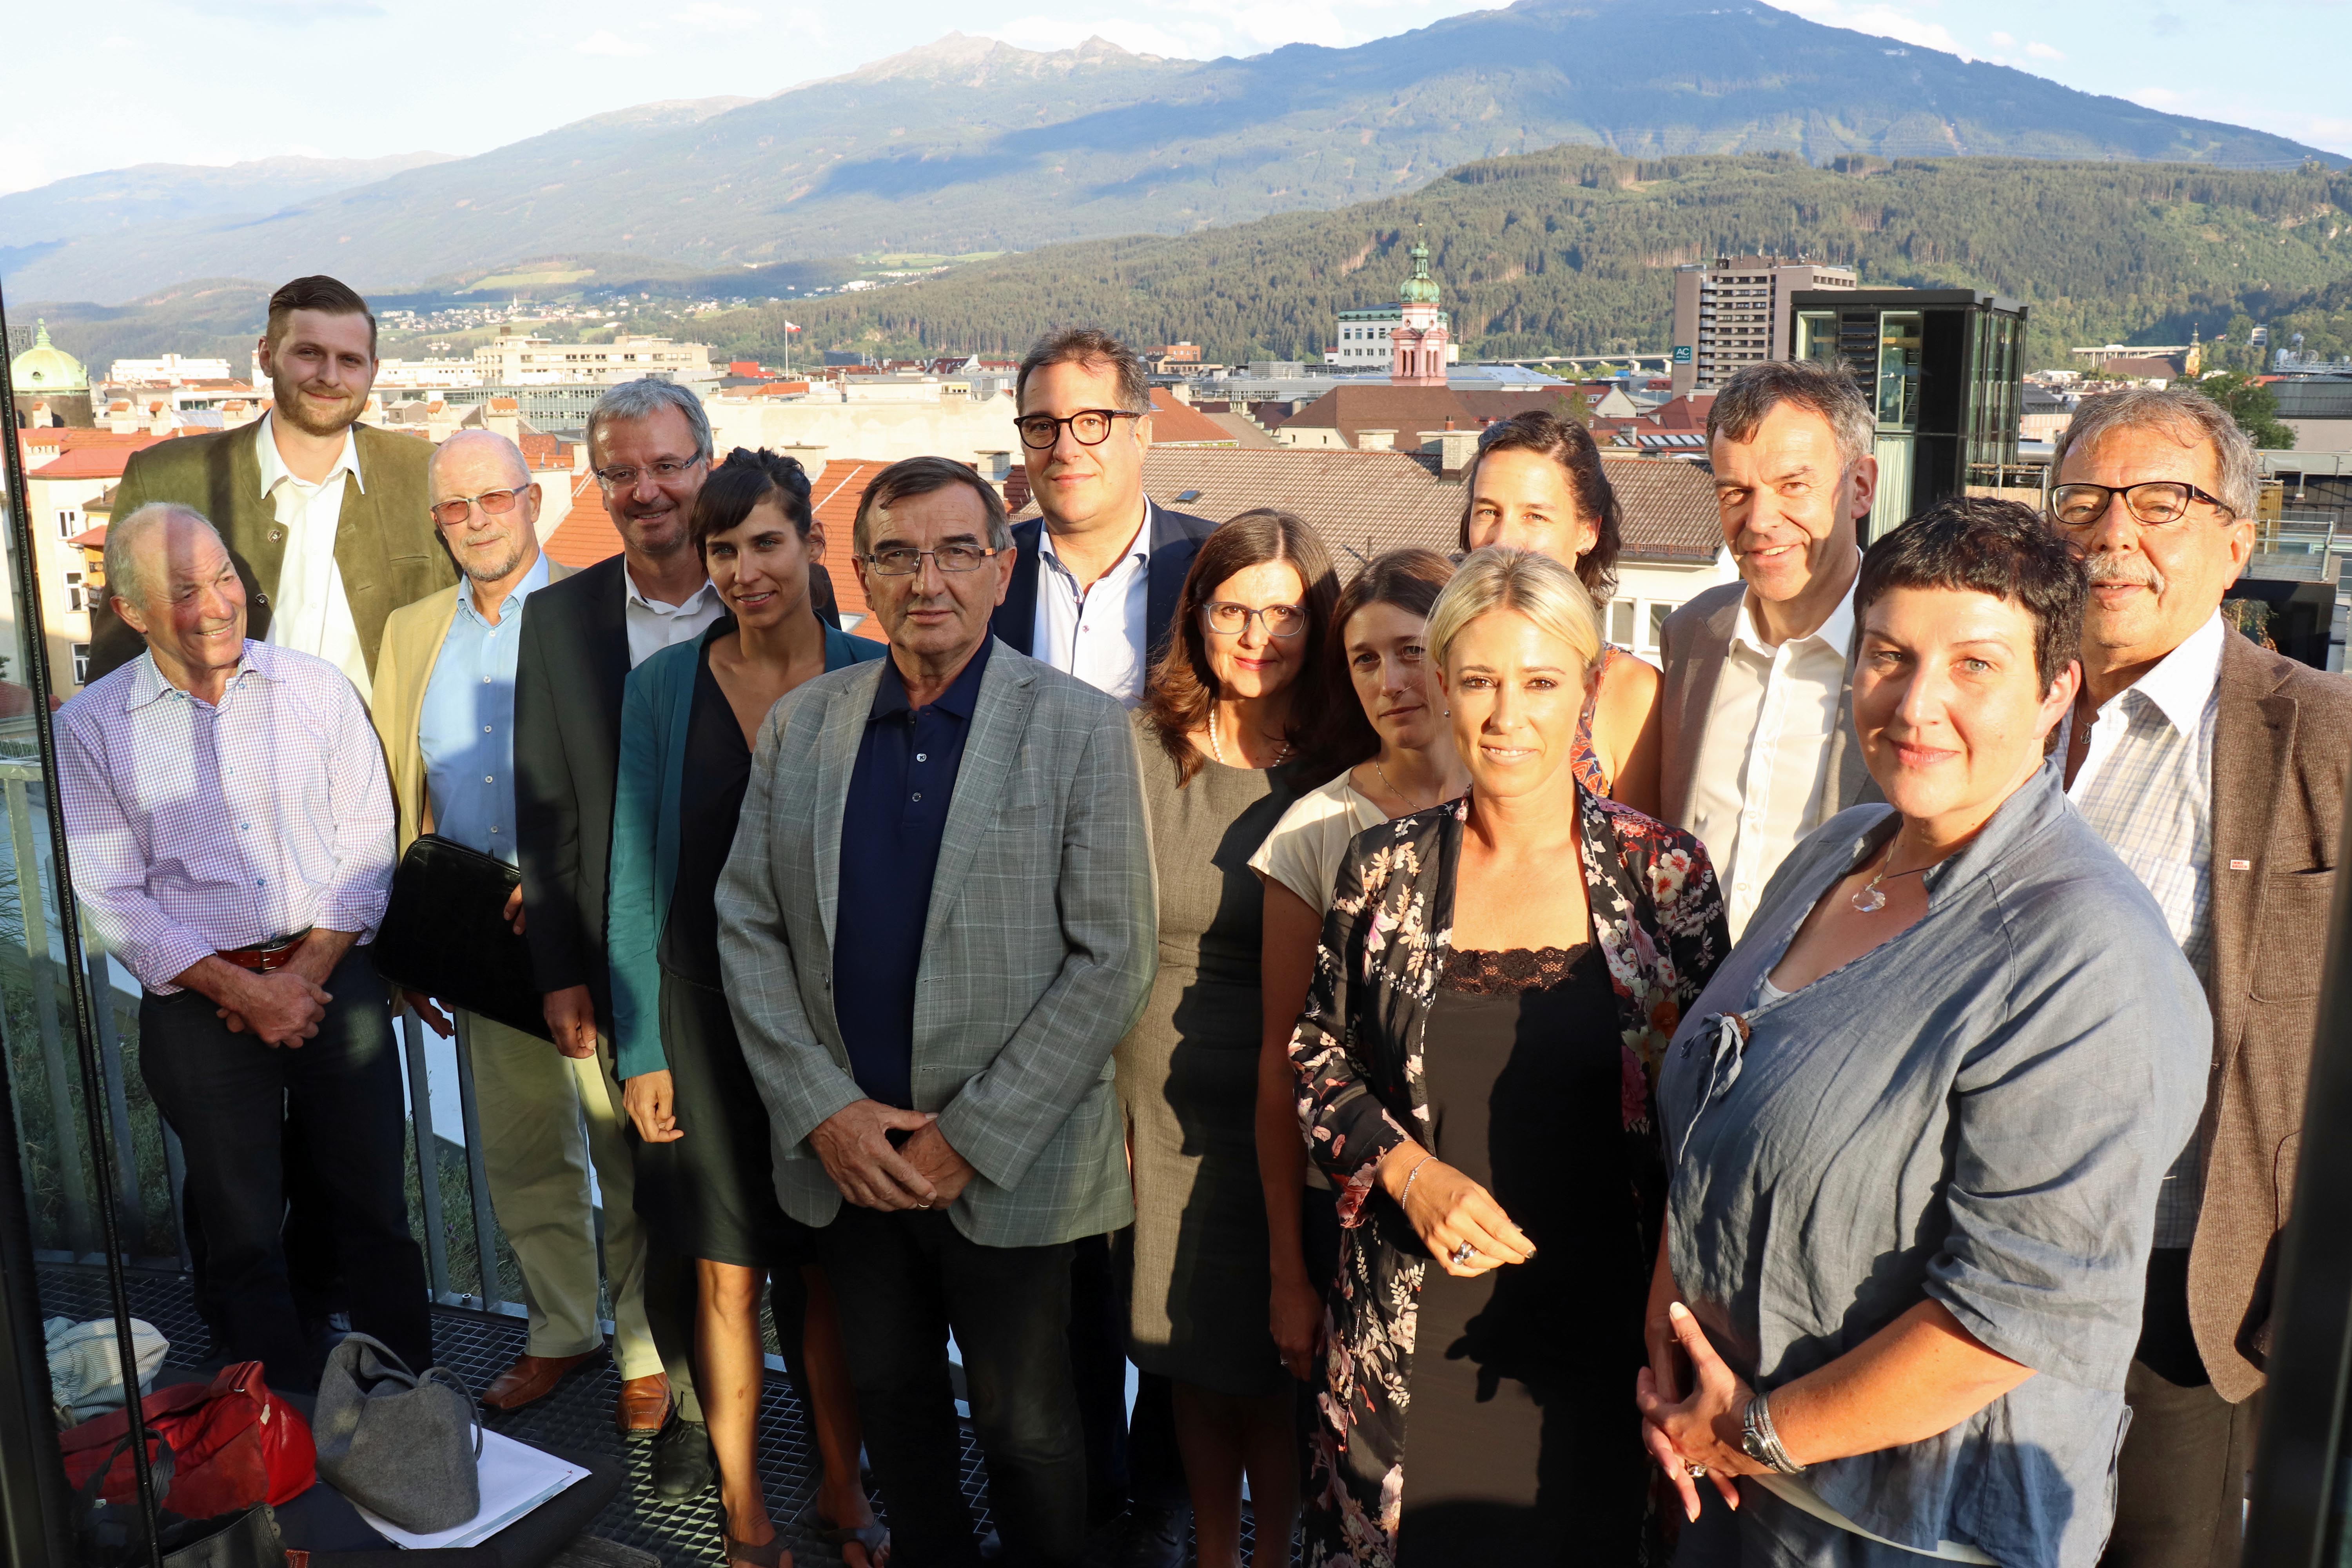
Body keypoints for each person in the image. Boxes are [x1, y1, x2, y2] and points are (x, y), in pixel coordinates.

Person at [1637, 499, 2210, 1568]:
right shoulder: (1840, 854)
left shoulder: (2085, 957)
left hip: (1903, 1532)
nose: (1917, 704)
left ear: (2056, 691)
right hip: (1733, 1488)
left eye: (1975, 666)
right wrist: (1674, 1355)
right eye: (1890, 655)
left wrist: (1753, 1435)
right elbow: (1715, 1121)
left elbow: (2014, 1316)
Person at [718, 456, 1154, 1568]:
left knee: (1030, 1431)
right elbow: (748, 929)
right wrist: (826, 1113)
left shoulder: (1082, 731)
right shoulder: (804, 729)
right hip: (851, 1161)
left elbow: (1112, 957)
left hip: (1011, 1166)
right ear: (857, 575)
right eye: (899, 555)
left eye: (958, 551)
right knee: (897, 1411)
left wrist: (973, 1136)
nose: (929, 580)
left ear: (1001, 571)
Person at [1290, 546, 1729, 1566]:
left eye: (1538, 682)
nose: (1505, 715)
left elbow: (1713, 1122)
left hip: (1601, 1350)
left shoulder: (1663, 877)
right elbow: (1315, 1061)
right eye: (1480, 681)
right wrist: (1414, 1176)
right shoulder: (1385, 869)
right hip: (1408, 1343)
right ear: (1441, 686)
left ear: (1585, 685)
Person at [2043, 390, 2352, 1568]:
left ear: (2235, 537)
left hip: (2183, 1294)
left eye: (2160, 500)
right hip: (1965, 1267)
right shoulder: (1993, 708)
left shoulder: (2317, 737)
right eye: (2083, 501)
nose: (2113, 533)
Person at [57, 503, 432, 1391]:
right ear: (133, 610)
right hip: (199, 1006)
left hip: (333, 977)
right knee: (243, 1232)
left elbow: (367, 843)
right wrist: (242, 990)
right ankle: (275, 1432)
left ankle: (412, 1405)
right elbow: (111, 895)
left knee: (375, 1208)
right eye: (185, 590)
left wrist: (302, 976)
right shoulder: (91, 727)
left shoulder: (316, 688)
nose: (221, 603)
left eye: (225, 576)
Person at [608, 450, 889, 1568]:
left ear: (813, 548)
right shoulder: (663, 689)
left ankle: (840, 1490)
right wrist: (640, 1046)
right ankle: (742, 1511)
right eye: (723, 549)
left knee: (827, 1278)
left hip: (831, 1031)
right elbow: (634, 874)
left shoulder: (873, 674)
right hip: (701, 1024)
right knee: (725, 1276)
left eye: (765, 542)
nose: (743, 569)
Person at [369, 430, 669, 1427]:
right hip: (477, 939)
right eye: (454, 508)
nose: (475, 522)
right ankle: (558, 1332)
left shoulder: (600, 610)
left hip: (584, 926)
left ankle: (644, 1346)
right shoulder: (412, 632)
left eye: (492, 499)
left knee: (622, 1144)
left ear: (533, 499)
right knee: (522, 1149)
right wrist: (410, 943)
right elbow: (400, 792)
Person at [990, 325, 1210, 1561]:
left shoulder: (1204, 572)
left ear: (1142, 426)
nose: (1064, 448)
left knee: (1169, 1238)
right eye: (1039, 426)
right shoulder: (988, 569)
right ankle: (1072, 1493)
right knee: (1054, 1247)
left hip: (1176, 965)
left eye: (1090, 423)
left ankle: (1168, 1499)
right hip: (1021, 969)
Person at [513, 377, 727, 1488]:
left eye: (667, 465)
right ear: (596, 487)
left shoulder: (775, 591)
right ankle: (690, 1409)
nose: (647, 490)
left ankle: (776, 1404)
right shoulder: (560, 621)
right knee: (655, 1197)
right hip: (622, 967)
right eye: (621, 473)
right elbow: (543, 807)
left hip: (757, 964)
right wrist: (561, 976)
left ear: (708, 463)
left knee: (762, 1203)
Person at [1116, 509, 1338, 1568]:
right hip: (1153, 1102)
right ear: (1196, 616)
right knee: (1188, 1357)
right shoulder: (1139, 751)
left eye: (1286, 612)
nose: (1258, 637)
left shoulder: (1346, 765)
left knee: (1282, 1361)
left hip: (1291, 1102)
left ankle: (1276, 1552)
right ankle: (1213, 1552)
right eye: (1233, 609)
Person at [1247, 549, 1465, 1396]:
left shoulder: (1524, 805)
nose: (1391, 680)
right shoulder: (1314, 831)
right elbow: (1282, 1059)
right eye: (1364, 659)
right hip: (1349, 1208)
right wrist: (1287, 1272)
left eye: (1411, 650)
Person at [92, 274, 451, 691]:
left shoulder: (427, 474)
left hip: (382, 756)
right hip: (217, 752)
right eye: (309, 353)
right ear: (266, 356)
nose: (330, 377)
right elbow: (116, 662)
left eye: (350, 360)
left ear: (373, 371)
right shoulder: (167, 478)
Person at [1661, 359, 1881, 938]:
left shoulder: (1909, 653)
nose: (1759, 521)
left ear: (1859, 488)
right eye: (1736, 492)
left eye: (1793, 487)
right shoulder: (1691, 635)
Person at [1459, 411, 1660, 813]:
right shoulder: (1431, 661)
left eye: (1536, 516)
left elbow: (1649, 859)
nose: (1504, 539)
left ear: (1588, 531)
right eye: (1488, 512)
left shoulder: (1629, 691)